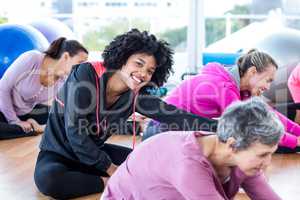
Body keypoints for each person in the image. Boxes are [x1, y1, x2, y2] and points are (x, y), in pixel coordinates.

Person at [34, 29, 217, 199]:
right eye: (139, 63)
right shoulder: (85, 74)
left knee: (150, 165)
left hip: (94, 154)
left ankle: (94, 177)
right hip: (58, 153)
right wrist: (111, 170)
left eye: (150, 71)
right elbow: (75, 131)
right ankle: (107, 183)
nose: (143, 74)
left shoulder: (136, 96)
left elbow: (176, 116)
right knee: (49, 181)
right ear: (122, 59)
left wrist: (222, 127)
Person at [101, 97, 283, 200]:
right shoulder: (187, 163)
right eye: (263, 155)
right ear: (232, 145)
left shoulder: (240, 158)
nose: (267, 163)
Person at [143, 49, 300, 152]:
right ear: (252, 72)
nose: (268, 86)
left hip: (178, 132)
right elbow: (253, 127)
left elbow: (268, 114)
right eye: (268, 80)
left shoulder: (241, 91)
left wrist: (298, 132)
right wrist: (295, 142)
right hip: (159, 133)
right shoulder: (223, 87)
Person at [0, 37, 88, 139]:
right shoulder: (32, 58)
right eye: (80, 62)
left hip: (25, 112)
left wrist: (41, 127)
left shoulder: (64, 78)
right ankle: (26, 129)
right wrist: (14, 121)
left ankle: (33, 128)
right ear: (65, 57)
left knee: (68, 120)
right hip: (2, 108)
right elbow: (3, 88)